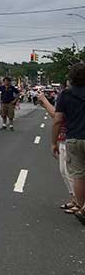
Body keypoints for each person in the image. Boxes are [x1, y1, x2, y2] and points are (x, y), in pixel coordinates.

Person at [53, 63, 85, 225]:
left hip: (74, 138)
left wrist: (54, 142)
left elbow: (57, 120)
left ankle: (81, 207)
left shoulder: (65, 95)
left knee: (78, 175)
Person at [38, 90, 75, 212]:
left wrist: (44, 100)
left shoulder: (69, 95)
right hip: (68, 137)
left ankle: (79, 202)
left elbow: (57, 117)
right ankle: (76, 199)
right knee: (66, 171)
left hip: (70, 138)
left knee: (71, 172)